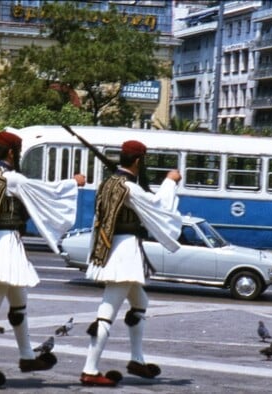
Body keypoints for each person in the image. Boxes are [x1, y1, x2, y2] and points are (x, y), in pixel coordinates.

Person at [0, 130, 85, 389]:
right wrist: (72, 183)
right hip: (3, 247)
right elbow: (46, 192)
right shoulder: (12, 179)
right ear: (11, 153)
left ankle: (27, 357)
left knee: (18, 304)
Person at [79, 140, 182, 387]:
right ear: (137, 161)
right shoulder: (128, 187)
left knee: (140, 303)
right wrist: (170, 181)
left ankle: (137, 359)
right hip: (123, 253)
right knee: (107, 312)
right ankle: (90, 369)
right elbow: (158, 205)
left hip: (110, 248)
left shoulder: (108, 183)